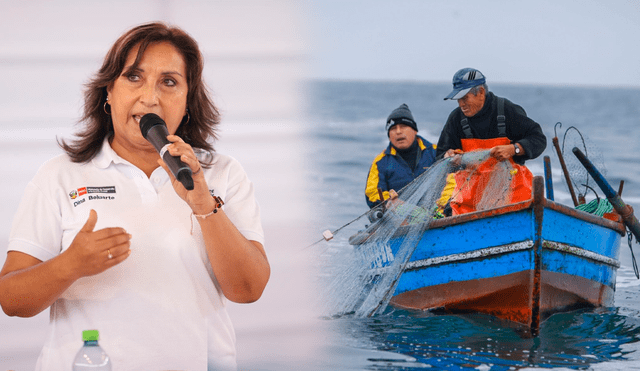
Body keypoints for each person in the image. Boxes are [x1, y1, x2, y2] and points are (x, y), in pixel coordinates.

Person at [0, 22, 269, 371]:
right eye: (134, 77)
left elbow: (248, 290)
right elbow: (11, 300)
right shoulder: (59, 175)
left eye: (169, 82)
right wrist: (70, 265)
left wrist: (205, 206)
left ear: (187, 101)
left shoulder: (222, 173)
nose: (150, 97)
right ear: (108, 92)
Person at [436, 67, 547, 215]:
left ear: (481, 92)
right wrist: (448, 157)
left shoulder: (506, 110)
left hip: (513, 196)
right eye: (458, 99)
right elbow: (440, 155)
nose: (461, 104)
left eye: (465, 98)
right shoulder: (456, 118)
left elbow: (538, 139)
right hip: (470, 200)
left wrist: (514, 149)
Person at [365, 103, 437, 209]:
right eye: (393, 128)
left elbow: (452, 181)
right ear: (389, 135)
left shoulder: (436, 152)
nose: (398, 131)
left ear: (414, 130)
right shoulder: (380, 162)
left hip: (437, 213)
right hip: (397, 217)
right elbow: (372, 194)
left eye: (403, 126)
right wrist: (390, 200)